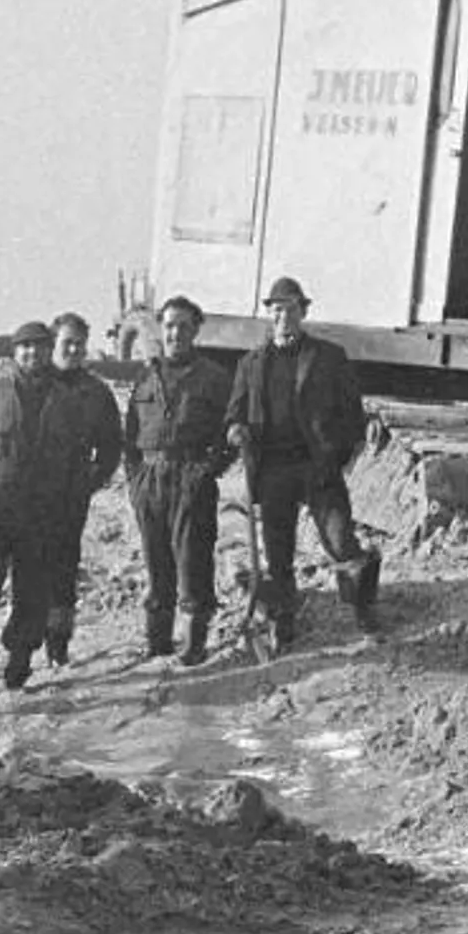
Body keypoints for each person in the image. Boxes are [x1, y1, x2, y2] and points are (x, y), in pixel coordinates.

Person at [0, 318, 117, 698]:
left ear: (49, 352)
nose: (33, 353)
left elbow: (103, 449)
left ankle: (18, 670)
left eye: (41, 347)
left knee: (32, 597)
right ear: (15, 352)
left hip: (43, 517)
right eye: (25, 347)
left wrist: (80, 488)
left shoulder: (70, 399)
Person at [228, 275, 378, 647]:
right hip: (273, 470)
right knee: (278, 552)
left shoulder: (328, 357)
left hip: (317, 466)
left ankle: (363, 608)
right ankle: (283, 618)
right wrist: (235, 431)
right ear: (268, 314)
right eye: (276, 310)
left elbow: (351, 413)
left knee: (342, 541)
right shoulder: (251, 363)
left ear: (304, 311)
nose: (283, 317)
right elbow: (234, 413)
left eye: (290, 309)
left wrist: (340, 456)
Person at [126, 295, 236, 666]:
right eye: (170, 325)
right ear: (161, 328)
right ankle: (157, 643)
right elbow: (129, 437)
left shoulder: (215, 378)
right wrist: (136, 480)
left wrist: (208, 470)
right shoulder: (145, 377)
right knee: (157, 565)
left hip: (192, 479)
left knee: (193, 563)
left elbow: (230, 433)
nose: (176, 333)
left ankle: (192, 646)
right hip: (151, 480)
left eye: (184, 326)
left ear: (195, 331)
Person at [36, 311, 127, 665]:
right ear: (52, 344)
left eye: (79, 345)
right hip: (28, 495)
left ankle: (57, 644)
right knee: (29, 570)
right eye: (66, 343)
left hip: (70, 497)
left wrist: (90, 481)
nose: (73, 350)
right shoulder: (33, 384)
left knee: (63, 569)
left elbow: (110, 445)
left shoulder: (95, 391)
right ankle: (23, 648)